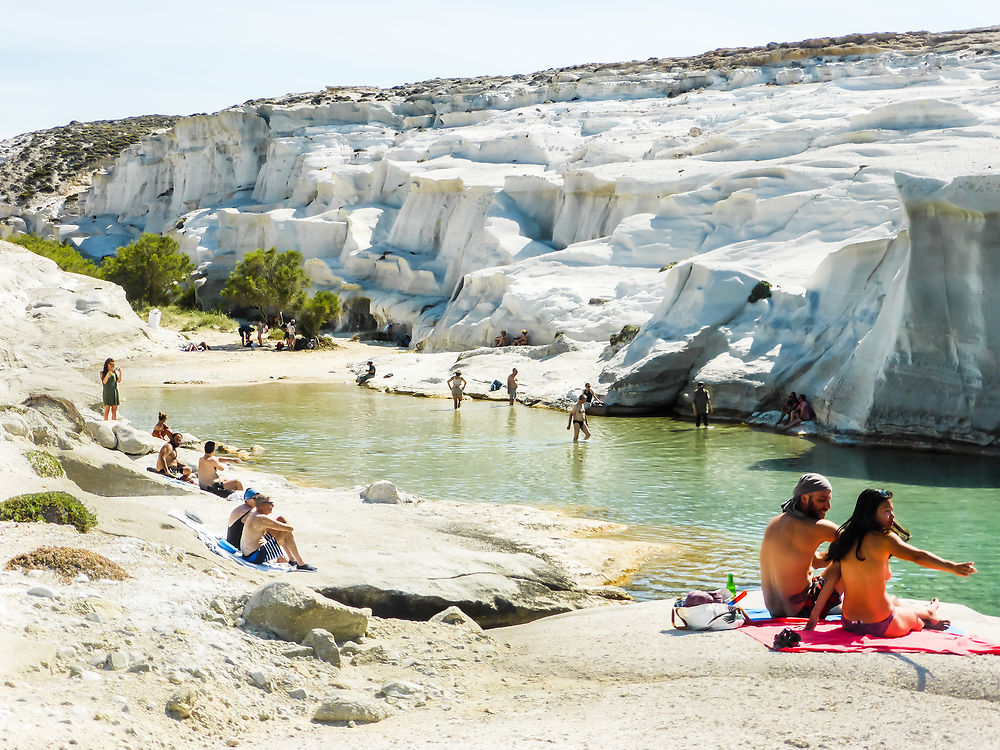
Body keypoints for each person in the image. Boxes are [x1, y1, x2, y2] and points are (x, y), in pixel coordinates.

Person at [805, 489, 976, 636]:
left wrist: (814, 617)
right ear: (871, 514)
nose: (892, 516)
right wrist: (952, 567)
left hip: (849, 624)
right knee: (914, 619)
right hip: (882, 625)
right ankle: (928, 615)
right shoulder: (886, 539)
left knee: (893, 599)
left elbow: (831, 581)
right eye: (887, 511)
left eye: (892, 510)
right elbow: (918, 556)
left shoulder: (846, 540)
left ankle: (923, 613)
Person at [759, 473, 840, 618]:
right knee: (853, 556)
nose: (828, 506)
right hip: (804, 611)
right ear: (804, 498)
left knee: (844, 554)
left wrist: (836, 553)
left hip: (775, 612)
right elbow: (861, 543)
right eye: (822, 500)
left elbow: (813, 561)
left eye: (829, 500)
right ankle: (862, 607)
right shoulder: (818, 527)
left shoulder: (774, 523)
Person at [241, 495, 316, 571]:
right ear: (261, 505)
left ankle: (292, 560)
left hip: (248, 553)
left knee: (281, 519)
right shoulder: (261, 518)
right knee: (286, 532)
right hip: (255, 556)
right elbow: (290, 529)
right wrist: (287, 524)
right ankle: (301, 563)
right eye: (270, 503)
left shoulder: (254, 514)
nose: (273, 505)